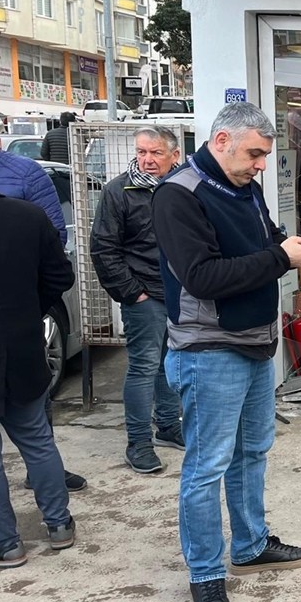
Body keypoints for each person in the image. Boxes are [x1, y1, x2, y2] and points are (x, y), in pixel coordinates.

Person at [153, 102, 301, 602]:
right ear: (222, 140)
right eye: (254, 153)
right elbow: (202, 278)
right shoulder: (179, 195)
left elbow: (263, 239)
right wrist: (280, 259)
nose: (260, 165)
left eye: (265, 157)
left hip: (254, 343)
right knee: (206, 468)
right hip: (209, 350)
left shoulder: (244, 186)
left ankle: (250, 545)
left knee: (253, 452)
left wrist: (286, 245)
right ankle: (206, 576)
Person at [0, 142, 78, 568]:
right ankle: (58, 525)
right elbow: (60, 275)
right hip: (22, 345)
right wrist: (28, 309)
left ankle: (5, 543)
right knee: (37, 441)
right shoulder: (28, 216)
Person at [91, 126, 184, 474]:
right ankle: (139, 443)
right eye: (141, 152)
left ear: (174, 155)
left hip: (179, 294)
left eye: (155, 153)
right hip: (143, 296)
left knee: (170, 365)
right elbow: (103, 248)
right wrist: (133, 292)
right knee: (144, 367)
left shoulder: (184, 187)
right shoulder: (119, 191)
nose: (146, 160)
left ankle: (169, 427)